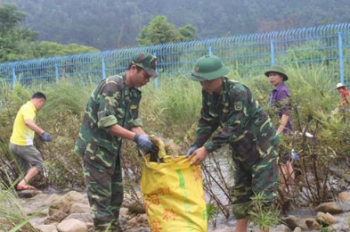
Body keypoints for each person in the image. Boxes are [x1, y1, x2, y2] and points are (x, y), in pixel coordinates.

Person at [186, 55, 279, 232]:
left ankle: (264, 229)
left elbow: (235, 126)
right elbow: (207, 121)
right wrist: (196, 144)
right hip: (241, 151)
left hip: (262, 149)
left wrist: (207, 149)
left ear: (219, 76)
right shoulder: (209, 93)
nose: (204, 85)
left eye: (207, 81)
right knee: (240, 195)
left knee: (263, 197)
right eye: (201, 82)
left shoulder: (238, 92)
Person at [74, 53, 158, 232]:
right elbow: (107, 123)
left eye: (150, 77)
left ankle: (114, 229)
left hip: (111, 150)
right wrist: (136, 138)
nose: (147, 80)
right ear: (134, 68)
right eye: (145, 76)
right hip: (95, 149)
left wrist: (150, 141)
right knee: (101, 200)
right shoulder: (113, 86)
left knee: (116, 197)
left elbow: (133, 122)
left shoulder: (133, 93)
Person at [9, 92, 52, 191]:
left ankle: (21, 188)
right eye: (42, 104)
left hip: (13, 144)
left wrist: (38, 135)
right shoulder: (29, 108)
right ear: (40, 101)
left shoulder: (25, 107)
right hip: (22, 144)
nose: (41, 107)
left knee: (25, 170)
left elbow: (26, 125)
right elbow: (28, 122)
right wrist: (42, 133)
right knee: (39, 164)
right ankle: (22, 184)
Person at [265, 65, 294, 192]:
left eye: (274, 75)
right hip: (279, 131)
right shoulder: (276, 91)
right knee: (286, 161)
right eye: (270, 75)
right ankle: (291, 189)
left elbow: (285, 113)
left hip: (283, 132)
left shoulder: (282, 91)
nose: (271, 78)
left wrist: (278, 132)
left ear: (281, 77)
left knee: (282, 162)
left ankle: (284, 189)